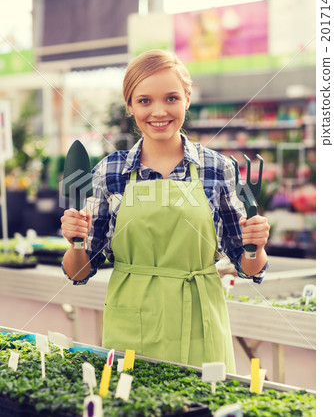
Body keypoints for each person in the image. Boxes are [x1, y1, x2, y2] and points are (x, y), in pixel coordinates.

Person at [61, 49, 270, 372]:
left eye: (171, 98)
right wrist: (75, 241)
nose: (158, 111)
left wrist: (257, 246)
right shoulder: (109, 172)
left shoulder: (218, 168)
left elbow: (249, 268)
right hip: (132, 325)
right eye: (144, 101)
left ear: (187, 99)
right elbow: (79, 272)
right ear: (129, 106)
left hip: (202, 322)